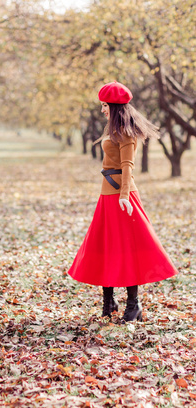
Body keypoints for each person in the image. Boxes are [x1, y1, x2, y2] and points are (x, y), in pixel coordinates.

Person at [68, 81, 178, 322]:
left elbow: (128, 166)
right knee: (105, 246)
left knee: (128, 249)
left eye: (104, 105)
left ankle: (133, 304)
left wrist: (125, 195)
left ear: (114, 106)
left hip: (121, 197)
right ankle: (109, 302)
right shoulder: (112, 129)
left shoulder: (126, 133)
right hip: (107, 197)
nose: (101, 110)